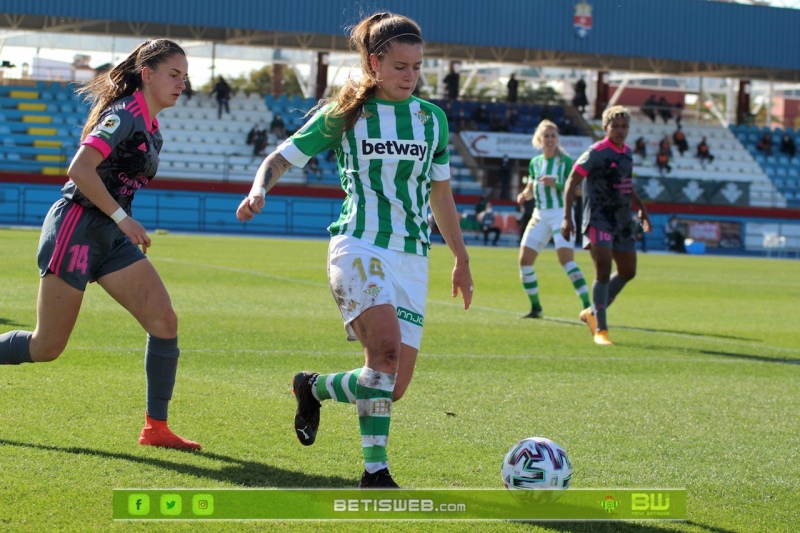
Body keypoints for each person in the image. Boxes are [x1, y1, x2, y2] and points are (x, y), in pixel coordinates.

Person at [236, 12, 473, 489]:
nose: (410, 76)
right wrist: (259, 189)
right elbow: (280, 156)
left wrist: (461, 258)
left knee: (392, 384)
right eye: (400, 66)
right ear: (374, 63)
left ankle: (313, 387)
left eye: (417, 67)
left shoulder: (433, 120)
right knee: (383, 354)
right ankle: (375, 472)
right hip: (358, 244)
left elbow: (440, 194)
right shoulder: (347, 114)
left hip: (412, 256)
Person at [0, 39, 200, 450]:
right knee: (46, 346)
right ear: (147, 74)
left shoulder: (150, 123)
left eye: (185, 76)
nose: (182, 83)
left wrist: (119, 222)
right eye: (174, 74)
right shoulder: (124, 114)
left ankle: (156, 428)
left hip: (110, 234)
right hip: (77, 227)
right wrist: (124, 219)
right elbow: (80, 168)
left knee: (164, 321)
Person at [561, 105, 651, 346]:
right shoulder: (595, 153)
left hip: (622, 220)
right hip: (598, 219)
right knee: (602, 270)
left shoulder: (628, 153)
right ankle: (601, 329)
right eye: (616, 126)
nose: (620, 130)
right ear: (606, 127)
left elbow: (625, 184)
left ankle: (592, 312)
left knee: (628, 272)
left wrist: (641, 208)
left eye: (624, 126)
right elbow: (572, 181)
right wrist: (567, 217)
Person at [516, 120, 591, 319]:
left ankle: (589, 308)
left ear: (558, 139)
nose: (550, 139)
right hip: (540, 215)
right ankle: (536, 308)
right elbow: (531, 189)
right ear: (539, 139)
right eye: (546, 136)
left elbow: (579, 190)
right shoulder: (536, 163)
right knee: (524, 261)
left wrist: (556, 185)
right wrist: (524, 195)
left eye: (553, 136)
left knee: (566, 260)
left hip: (561, 213)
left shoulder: (566, 162)